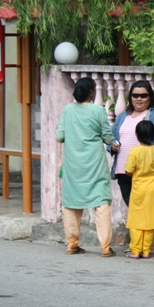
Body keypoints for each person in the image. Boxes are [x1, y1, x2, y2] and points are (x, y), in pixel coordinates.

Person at [55, 77, 116, 257]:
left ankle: (72, 244)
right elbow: (107, 137)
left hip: (73, 164)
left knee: (72, 203)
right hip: (94, 163)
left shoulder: (67, 110)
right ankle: (105, 247)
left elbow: (59, 136)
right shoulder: (98, 110)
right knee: (101, 202)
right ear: (91, 92)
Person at [110, 80, 154, 254]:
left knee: (150, 210)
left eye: (143, 95)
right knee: (135, 208)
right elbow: (113, 135)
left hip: (147, 176)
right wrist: (112, 146)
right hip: (124, 170)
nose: (139, 99)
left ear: (150, 97)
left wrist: (148, 165)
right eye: (135, 95)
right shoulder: (123, 115)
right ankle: (140, 245)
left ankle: (150, 245)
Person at [124, 121, 154, 259]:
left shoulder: (135, 151)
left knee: (136, 219)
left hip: (139, 188)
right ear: (153, 135)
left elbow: (128, 170)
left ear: (137, 135)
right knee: (151, 219)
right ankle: (146, 250)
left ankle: (135, 250)